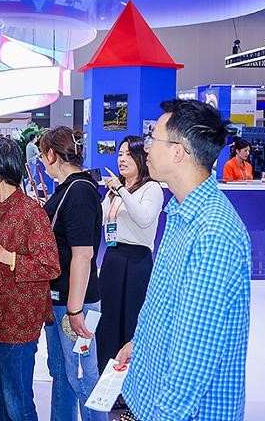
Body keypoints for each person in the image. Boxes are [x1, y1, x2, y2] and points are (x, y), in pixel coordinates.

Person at [116, 100, 252, 421]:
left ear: (178, 152)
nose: (146, 148)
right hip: (151, 394)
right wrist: (141, 343)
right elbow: (165, 303)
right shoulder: (180, 212)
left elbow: (195, 358)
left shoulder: (213, 232)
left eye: (153, 139)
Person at [0, 137, 61, 421]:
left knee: (18, 404)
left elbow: (50, 266)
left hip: (19, 323)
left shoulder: (30, 212)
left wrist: (6, 256)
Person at [39, 126, 106, 421]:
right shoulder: (69, 189)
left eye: (43, 155)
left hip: (75, 303)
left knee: (82, 376)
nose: (43, 162)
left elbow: (82, 254)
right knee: (63, 373)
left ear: (52, 154)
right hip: (62, 300)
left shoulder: (79, 192)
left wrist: (75, 310)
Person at [98, 136, 164, 375]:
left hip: (137, 262)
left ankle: (133, 381)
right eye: (119, 154)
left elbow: (144, 218)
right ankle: (106, 377)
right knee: (107, 321)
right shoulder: (113, 192)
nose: (122, 159)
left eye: (128, 154)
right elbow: (99, 218)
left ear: (141, 158)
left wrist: (121, 190)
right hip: (112, 259)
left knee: (133, 321)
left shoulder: (152, 188)